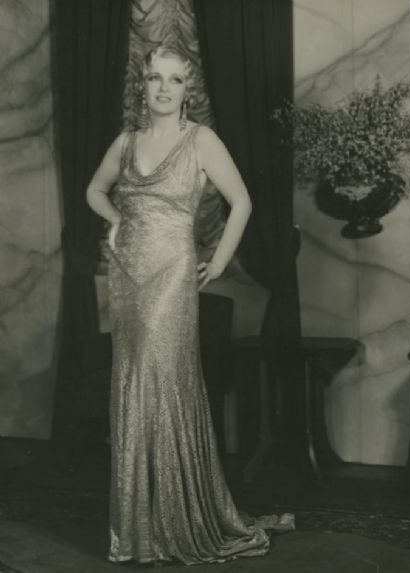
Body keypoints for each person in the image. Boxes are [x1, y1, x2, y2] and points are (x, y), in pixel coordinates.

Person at [86, 44, 294, 566]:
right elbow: (94, 191)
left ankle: (177, 518)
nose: (163, 88)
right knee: (133, 378)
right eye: (155, 78)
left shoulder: (201, 140)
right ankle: (139, 529)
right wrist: (117, 220)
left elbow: (242, 202)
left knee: (163, 379)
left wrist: (218, 262)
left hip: (173, 272)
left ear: (187, 88)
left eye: (174, 80)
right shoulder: (127, 141)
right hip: (127, 273)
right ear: (143, 85)